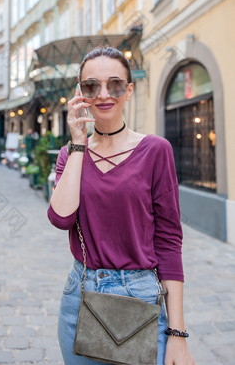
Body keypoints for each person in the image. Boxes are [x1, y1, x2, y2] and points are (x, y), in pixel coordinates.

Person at [47, 47, 195, 365]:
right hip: (81, 295)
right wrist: (77, 143)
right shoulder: (69, 155)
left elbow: (169, 242)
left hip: (140, 296)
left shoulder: (156, 151)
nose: (103, 94)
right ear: (80, 94)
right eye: (91, 86)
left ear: (128, 90)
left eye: (114, 84)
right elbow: (61, 218)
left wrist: (177, 333)